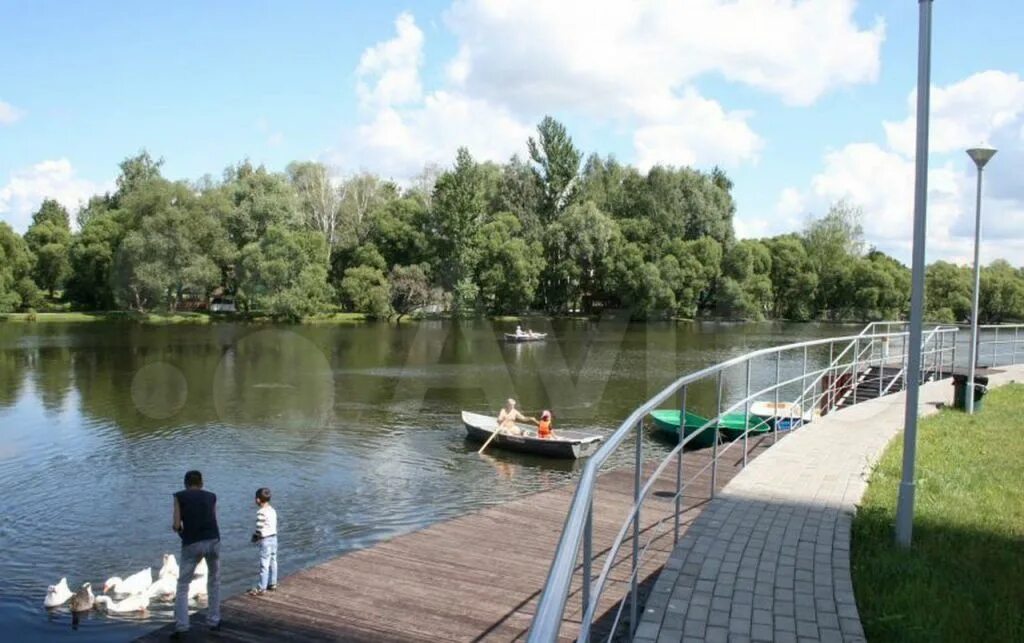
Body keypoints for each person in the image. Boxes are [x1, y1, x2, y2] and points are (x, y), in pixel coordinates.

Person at [171, 470, 221, 637]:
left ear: (185, 483)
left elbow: (177, 524)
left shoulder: (179, 496)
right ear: (201, 483)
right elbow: (214, 518)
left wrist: (178, 529)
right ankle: (214, 620)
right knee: (214, 581)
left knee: (183, 585)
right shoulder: (212, 496)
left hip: (192, 542)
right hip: (213, 540)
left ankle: (182, 626)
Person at [248, 487, 278, 596]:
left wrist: (254, 538)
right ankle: (273, 583)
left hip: (265, 540)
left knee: (264, 564)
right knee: (273, 561)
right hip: (274, 538)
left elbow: (259, 529)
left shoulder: (261, 512)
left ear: (258, 500)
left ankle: (261, 587)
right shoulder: (272, 510)